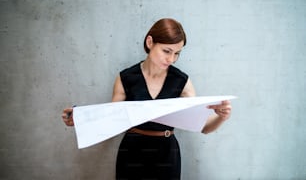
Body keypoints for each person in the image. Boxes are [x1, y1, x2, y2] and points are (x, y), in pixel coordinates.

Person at [62, 18, 232, 180]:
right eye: (166, 51)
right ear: (150, 42)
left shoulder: (182, 81)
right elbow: (111, 119)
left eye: (177, 53)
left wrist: (221, 117)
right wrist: (81, 117)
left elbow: (203, 127)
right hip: (132, 153)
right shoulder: (126, 77)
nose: (171, 59)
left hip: (167, 156)